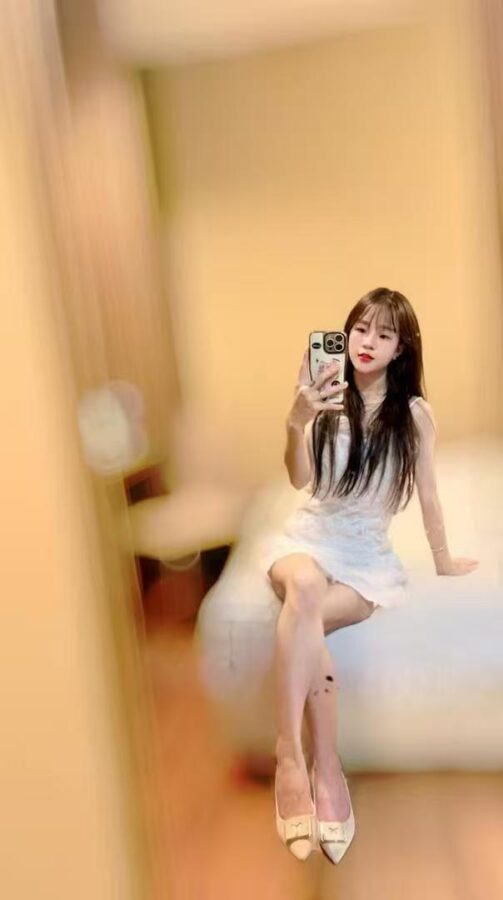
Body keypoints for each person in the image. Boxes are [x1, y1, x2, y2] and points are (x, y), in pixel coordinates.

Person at [258, 287, 479, 863]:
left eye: (383, 334)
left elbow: (428, 494)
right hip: (307, 539)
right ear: (347, 333)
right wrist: (295, 422)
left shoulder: (414, 416)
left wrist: (442, 558)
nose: (367, 342)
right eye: (360, 329)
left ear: (400, 349)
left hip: (365, 558)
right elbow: (300, 480)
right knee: (305, 587)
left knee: (305, 621)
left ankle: (318, 766)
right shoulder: (325, 397)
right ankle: (299, 761)